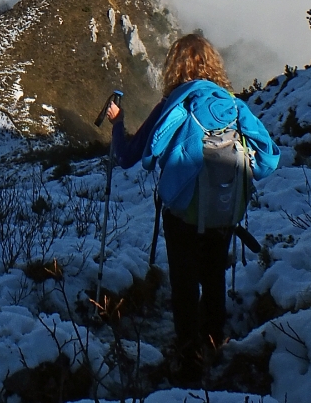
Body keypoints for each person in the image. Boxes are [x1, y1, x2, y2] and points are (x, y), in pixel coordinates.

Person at [105, 33, 279, 384]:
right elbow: (267, 161)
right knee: (213, 274)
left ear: (174, 67)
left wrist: (118, 123)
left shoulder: (173, 104)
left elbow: (128, 157)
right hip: (225, 210)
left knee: (185, 284)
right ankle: (216, 341)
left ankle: (188, 360)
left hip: (182, 211)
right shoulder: (232, 104)